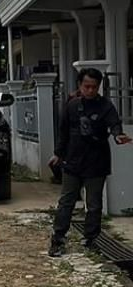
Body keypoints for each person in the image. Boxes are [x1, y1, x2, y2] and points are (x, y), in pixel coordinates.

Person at [48, 68, 132, 258]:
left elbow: (114, 124)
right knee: (66, 202)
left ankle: (91, 239)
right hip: (73, 161)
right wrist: (58, 154)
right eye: (87, 86)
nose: (90, 90)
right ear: (80, 85)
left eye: (94, 87)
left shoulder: (105, 106)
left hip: (97, 162)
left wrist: (118, 135)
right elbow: (63, 132)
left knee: (94, 204)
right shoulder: (71, 106)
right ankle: (58, 239)